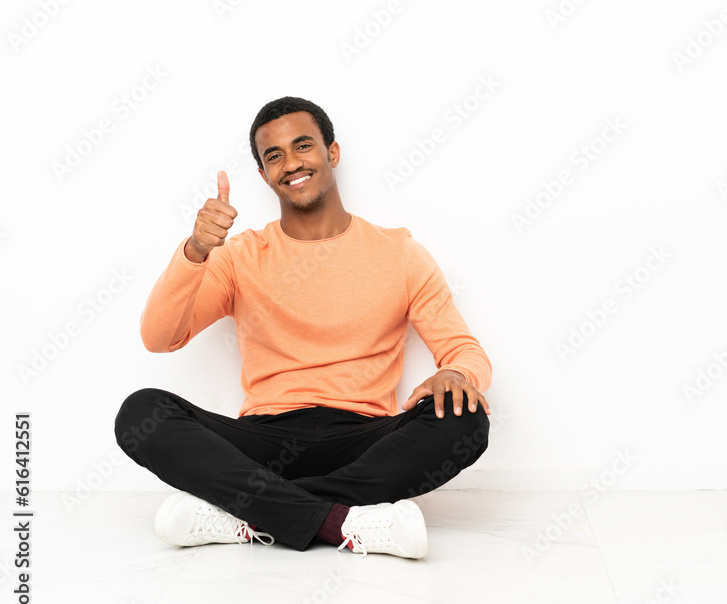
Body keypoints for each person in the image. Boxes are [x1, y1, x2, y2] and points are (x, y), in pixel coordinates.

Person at [114, 96, 492, 559]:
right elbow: (159, 338)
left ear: (331, 153)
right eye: (274, 156)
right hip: (263, 441)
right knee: (141, 413)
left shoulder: (400, 254)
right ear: (263, 175)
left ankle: (249, 513)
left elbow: (464, 350)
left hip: (364, 440)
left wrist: (459, 374)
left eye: (303, 146)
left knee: (465, 420)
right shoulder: (239, 257)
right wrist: (194, 251)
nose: (291, 163)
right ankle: (341, 521)